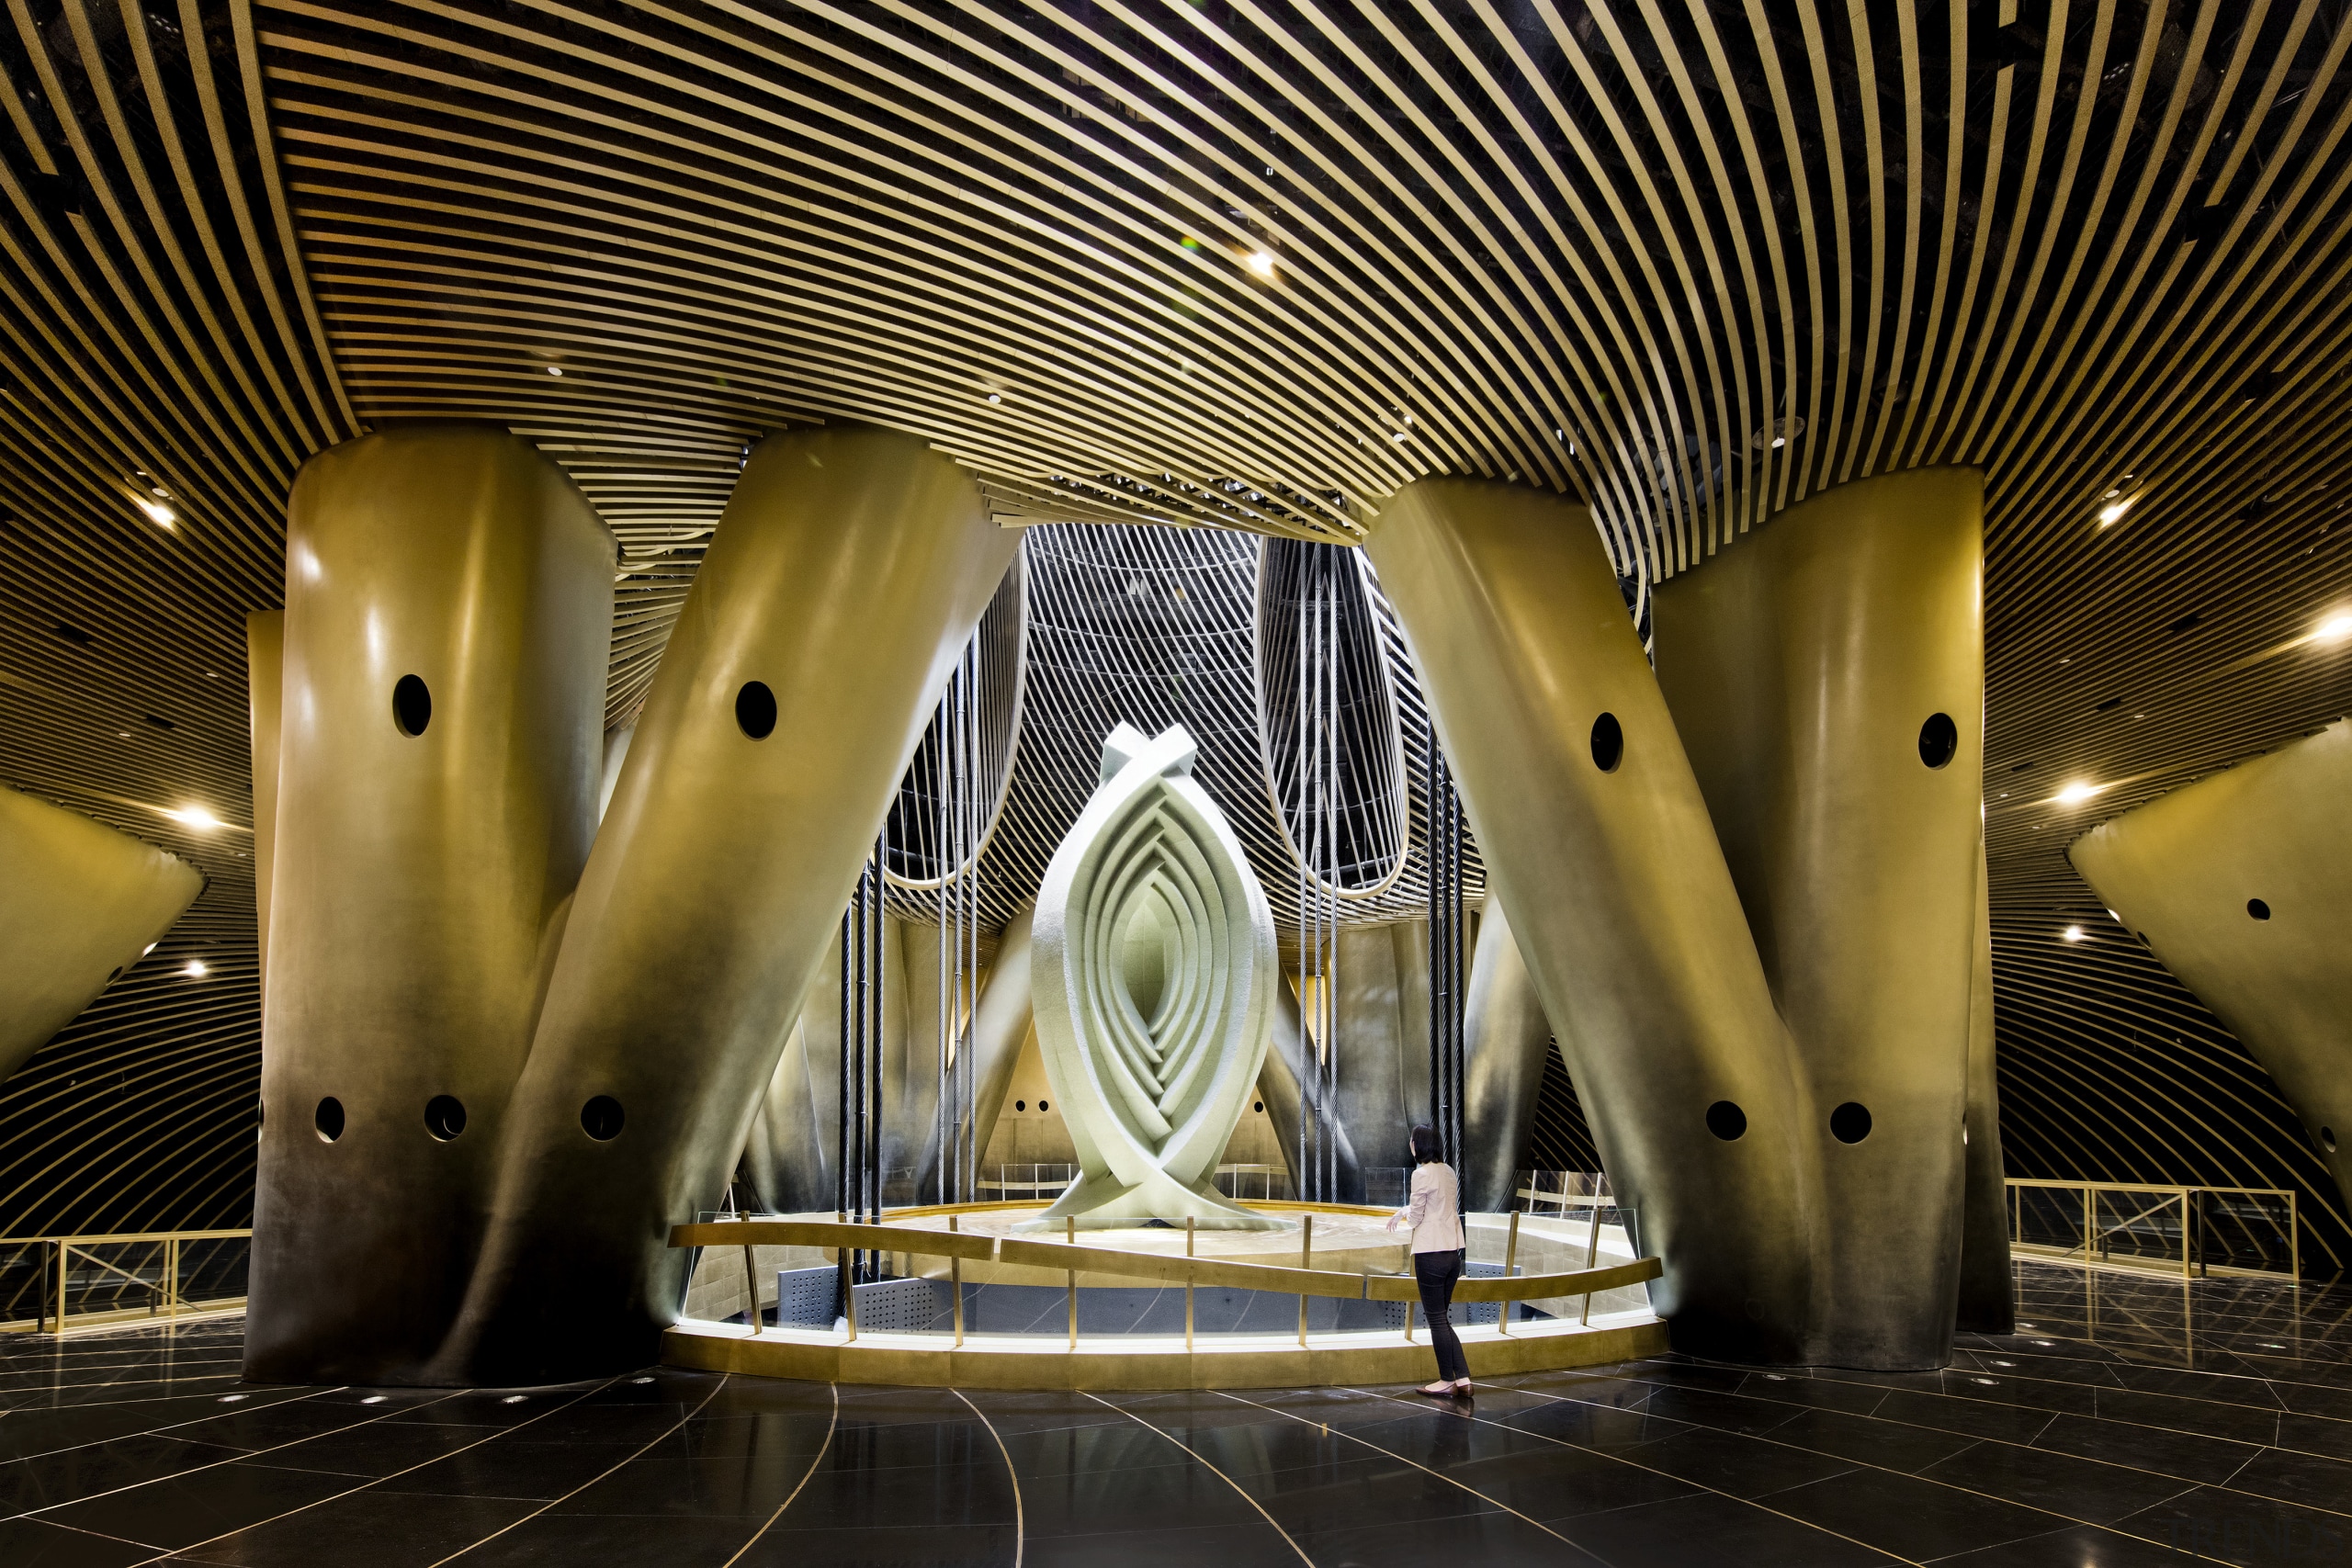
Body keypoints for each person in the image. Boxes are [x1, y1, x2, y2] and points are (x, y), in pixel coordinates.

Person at [1387, 1123, 1470, 1397]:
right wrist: (1405, 1210)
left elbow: (1417, 1218)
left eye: (1412, 1141)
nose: (1410, 1145)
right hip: (1452, 1255)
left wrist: (1404, 1214)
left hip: (1430, 1255)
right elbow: (1438, 1208)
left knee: (1436, 1319)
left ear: (1418, 1144)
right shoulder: (1448, 1171)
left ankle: (1447, 1379)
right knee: (1442, 1319)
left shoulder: (1420, 1174)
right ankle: (1464, 1379)